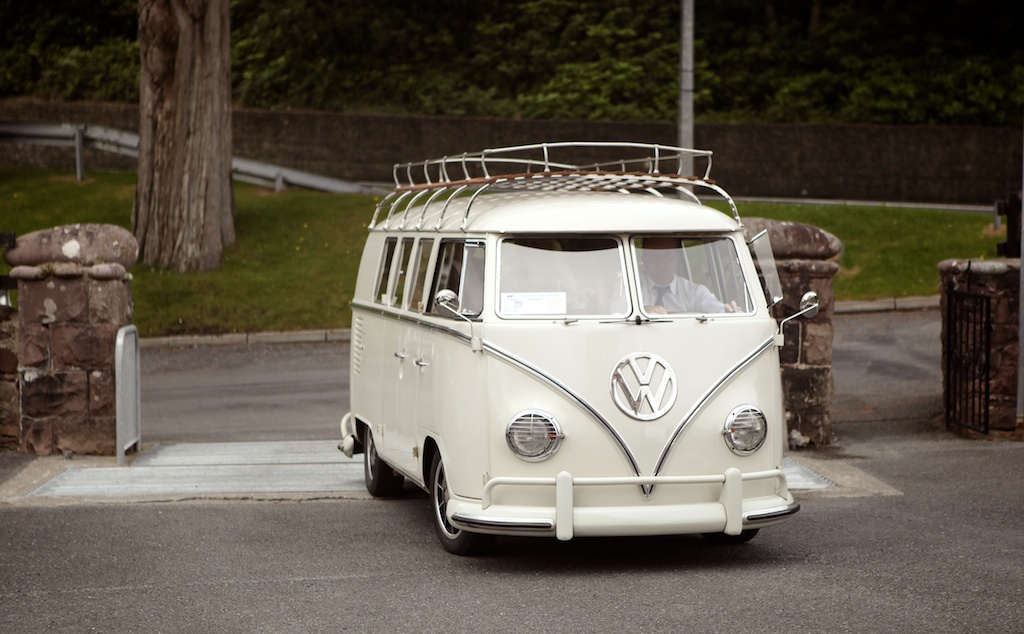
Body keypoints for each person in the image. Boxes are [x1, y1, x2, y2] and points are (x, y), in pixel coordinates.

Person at [638, 236, 740, 314]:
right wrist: (646, 310)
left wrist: (729, 311)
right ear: (644, 259)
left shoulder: (694, 292)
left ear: (677, 259)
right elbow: (622, 309)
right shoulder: (630, 288)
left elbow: (716, 309)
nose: (661, 263)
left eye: (667, 256)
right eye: (654, 256)